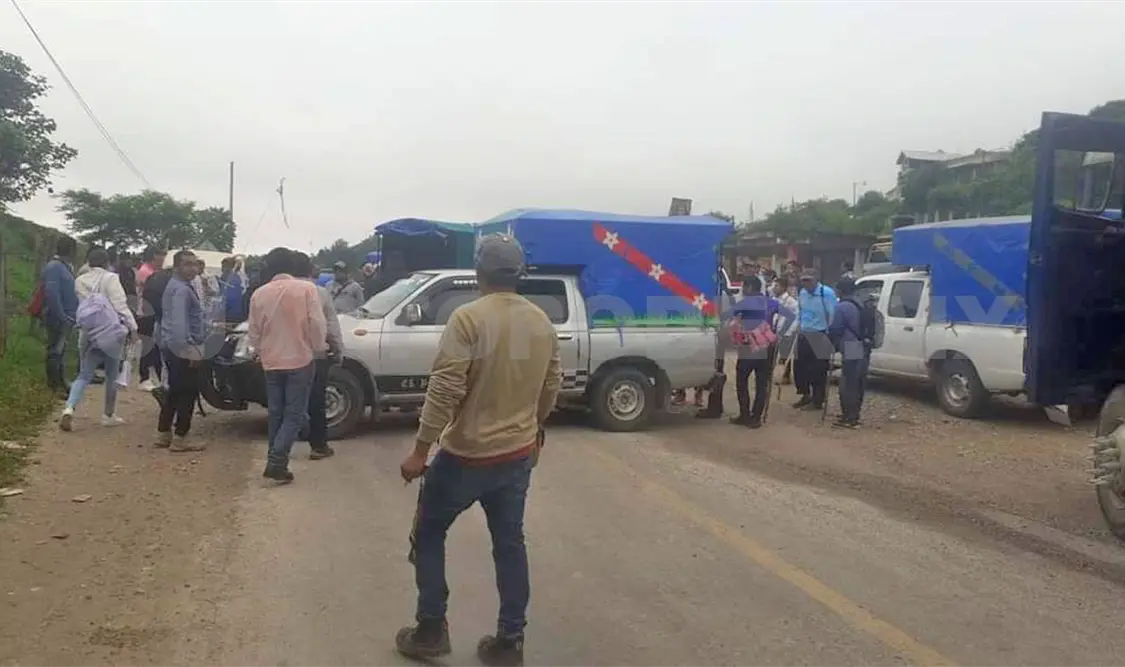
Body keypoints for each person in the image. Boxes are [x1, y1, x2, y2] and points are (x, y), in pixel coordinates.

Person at [394, 234, 561, 666]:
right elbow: (551, 385)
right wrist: (535, 426)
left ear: (478, 271)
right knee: (509, 542)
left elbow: (445, 389)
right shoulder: (541, 321)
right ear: (519, 273)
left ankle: (431, 629)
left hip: (466, 454)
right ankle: (510, 642)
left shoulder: (468, 318)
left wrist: (420, 451)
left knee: (428, 532)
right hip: (517, 453)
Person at [248, 248, 328, 483]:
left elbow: (254, 331)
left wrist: (258, 351)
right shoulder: (307, 290)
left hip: (270, 361)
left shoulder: (259, 294)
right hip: (300, 359)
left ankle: (276, 461)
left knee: (276, 414)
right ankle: (276, 461)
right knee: (294, 415)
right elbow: (316, 323)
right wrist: (317, 347)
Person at [59, 248, 138, 431]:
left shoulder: (80, 280)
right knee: (111, 375)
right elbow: (120, 305)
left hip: (89, 332)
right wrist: (133, 327)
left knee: (84, 374)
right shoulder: (111, 278)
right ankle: (108, 415)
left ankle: (69, 408)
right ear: (106, 262)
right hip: (111, 334)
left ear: (89, 262)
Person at [155, 250, 207, 452]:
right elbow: (179, 324)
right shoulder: (182, 290)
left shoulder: (175, 286)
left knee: (174, 391)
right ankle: (181, 437)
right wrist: (190, 349)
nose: (193, 268)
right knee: (187, 393)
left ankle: (163, 433)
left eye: (194, 264)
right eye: (187, 264)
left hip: (171, 346)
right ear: (177, 267)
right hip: (182, 348)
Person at [726, 275, 795, 427]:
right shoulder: (771, 302)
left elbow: (727, 315)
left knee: (742, 381)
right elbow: (790, 316)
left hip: (749, 347)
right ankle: (756, 417)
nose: (743, 290)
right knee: (762, 382)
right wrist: (779, 333)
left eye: (744, 287)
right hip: (767, 347)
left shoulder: (745, 303)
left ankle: (745, 415)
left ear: (749, 287)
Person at [297, 252, 342, 460]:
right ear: (311, 269)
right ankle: (318, 446)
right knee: (316, 400)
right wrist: (338, 349)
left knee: (288, 402)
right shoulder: (320, 292)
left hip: (285, 356)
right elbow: (331, 325)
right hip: (315, 355)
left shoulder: (274, 292)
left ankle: (280, 449)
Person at [793, 268, 837, 411]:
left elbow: (833, 315)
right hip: (805, 333)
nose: (806, 284)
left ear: (816, 280)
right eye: (803, 280)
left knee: (818, 370)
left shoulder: (827, 293)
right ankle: (805, 395)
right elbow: (801, 311)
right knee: (800, 367)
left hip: (821, 334)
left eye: (808, 280)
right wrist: (799, 326)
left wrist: (829, 335)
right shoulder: (803, 293)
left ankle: (818, 400)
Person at [829, 277, 870, 429]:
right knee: (859, 382)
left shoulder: (842, 307)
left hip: (851, 345)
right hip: (864, 344)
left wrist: (833, 342)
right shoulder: (862, 303)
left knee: (848, 382)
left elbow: (835, 328)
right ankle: (854, 414)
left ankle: (849, 417)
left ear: (841, 290)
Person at [42, 237, 79, 396]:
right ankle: (54, 386)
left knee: (61, 350)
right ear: (69, 250)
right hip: (57, 316)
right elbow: (52, 293)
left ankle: (61, 381)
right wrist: (62, 315)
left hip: (67, 316)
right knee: (55, 351)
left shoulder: (65, 266)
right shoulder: (55, 267)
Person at [136, 247, 168, 391]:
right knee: (148, 344)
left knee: (155, 347)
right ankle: (144, 377)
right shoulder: (145, 272)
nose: (163, 259)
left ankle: (159, 377)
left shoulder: (155, 272)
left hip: (153, 311)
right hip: (145, 312)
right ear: (154, 256)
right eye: (162, 255)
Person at [220, 256, 246, 323]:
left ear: (231, 267)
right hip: (226, 313)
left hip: (232, 314)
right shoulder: (224, 279)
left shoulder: (234, 279)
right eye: (222, 267)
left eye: (225, 267)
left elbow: (230, 298)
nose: (223, 269)